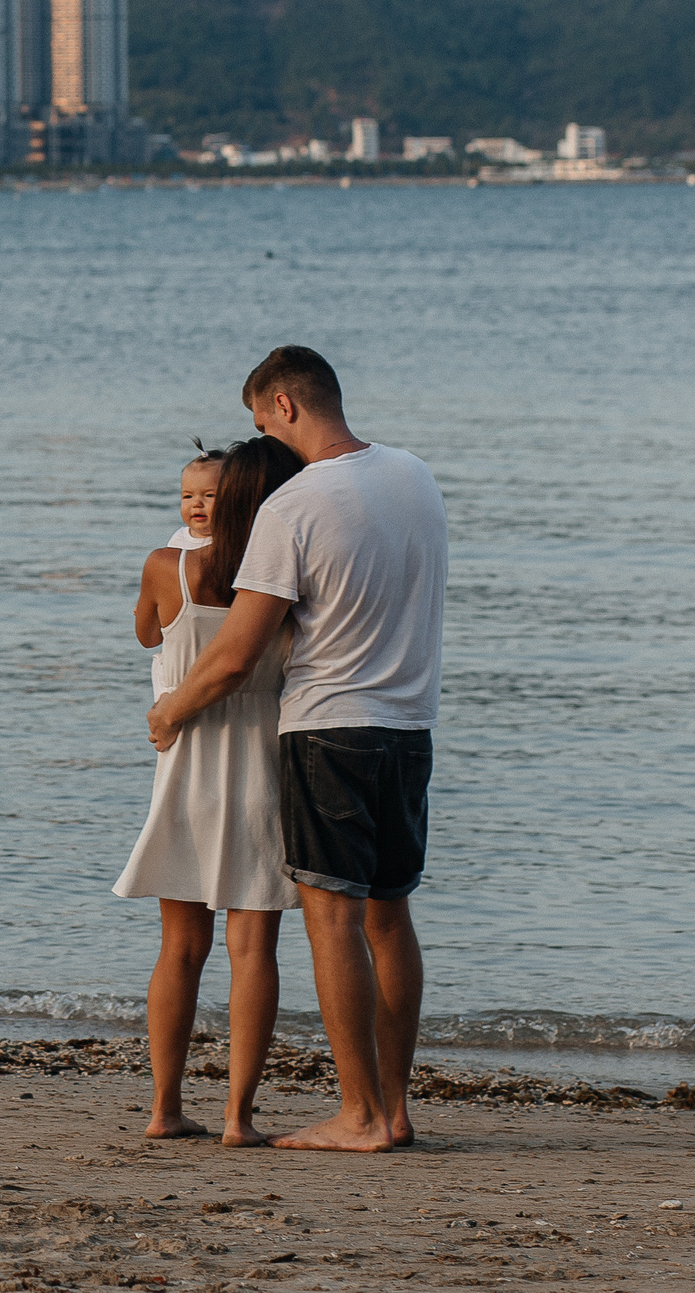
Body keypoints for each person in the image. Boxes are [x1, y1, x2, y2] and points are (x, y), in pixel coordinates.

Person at [147, 346, 447, 1153]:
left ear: (283, 405)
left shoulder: (294, 507)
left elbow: (239, 652)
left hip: (328, 728)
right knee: (392, 917)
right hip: (410, 723)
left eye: (258, 421)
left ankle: (358, 1117)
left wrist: (170, 707)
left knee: (333, 920)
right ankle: (397, 1108)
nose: (263, 442)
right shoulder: (414, 474)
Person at [117, 437, 305, 1145]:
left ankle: (165, 1108)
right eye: (188, 495)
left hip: (186, 762)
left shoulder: (168, 566)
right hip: (263, 762)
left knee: (180, 946)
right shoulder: (282, 584)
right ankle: (239, 1118)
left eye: (204, 497)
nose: (195, 506)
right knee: (254, 948)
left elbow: (144, 632)